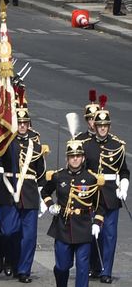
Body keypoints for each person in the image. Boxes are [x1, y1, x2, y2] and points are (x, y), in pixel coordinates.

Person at [42, 139, 109, 287]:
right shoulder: (58, 176)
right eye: (72, 156)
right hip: (62, 227)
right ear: (67, 158)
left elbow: (101, 204)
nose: (75, 159)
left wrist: (97, 222)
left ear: (83, 158)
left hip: (83, 226)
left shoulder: (91, 178)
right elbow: (45, 191)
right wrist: (50, 205)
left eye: (78, 156)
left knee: (83, 266)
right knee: (62, 266)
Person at [0, 103, 44, 282]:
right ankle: (10, 259)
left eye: (25, 122)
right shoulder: (6, 144)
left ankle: (23, 270)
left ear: (29, 124)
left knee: (29, 236)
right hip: (9, 190)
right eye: (19, 122)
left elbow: (41, 174)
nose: (22, 125)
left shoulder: (36, 147)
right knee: (8, 231)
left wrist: (43, 197)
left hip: (28, 193)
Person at [82, 106, 127, 283]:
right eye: (99, 125)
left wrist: (123, 186)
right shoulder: (87, 146)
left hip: (110, 195)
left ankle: (106, 270)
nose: (101, 128)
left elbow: (124, 171)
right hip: (93, 195)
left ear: (109, 126)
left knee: (109, 235)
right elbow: (83, 172)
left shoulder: (117, 146)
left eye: (105, 125)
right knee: (92, 234)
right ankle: (93, 266)